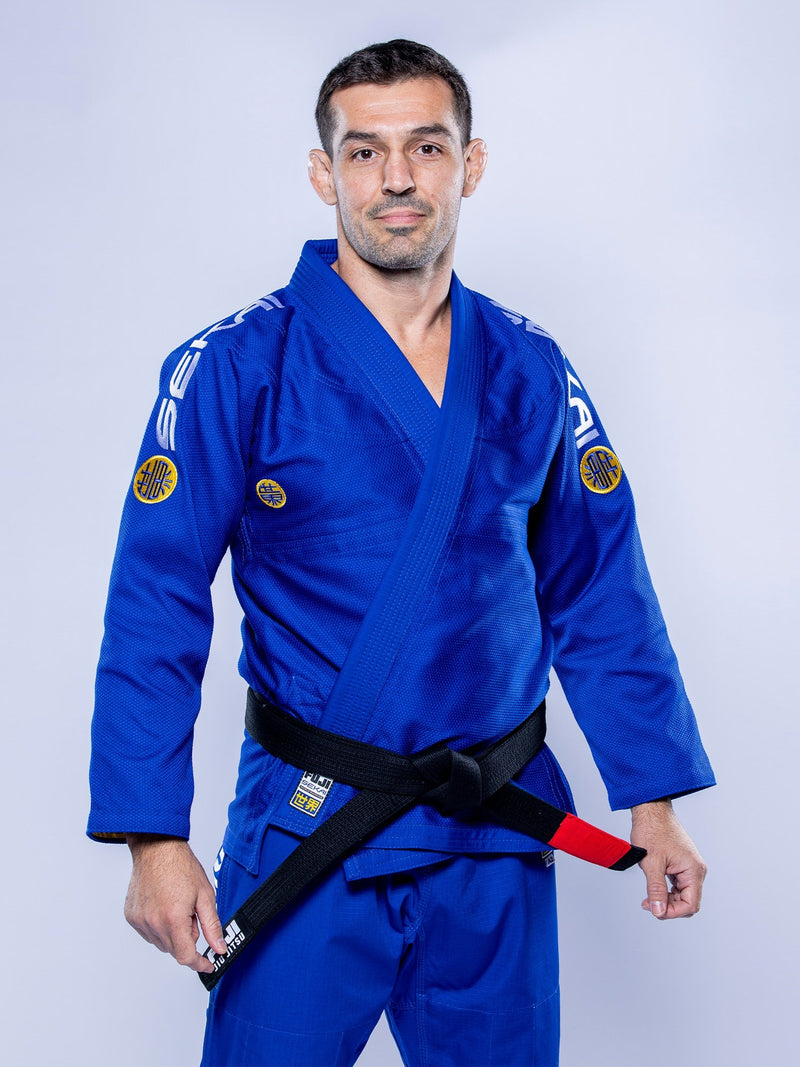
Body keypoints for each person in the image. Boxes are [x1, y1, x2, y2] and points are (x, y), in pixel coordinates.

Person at [89, 39, 714, 1067]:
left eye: (425, 147)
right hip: (308, 828)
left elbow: (600, 590)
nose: (395, 178)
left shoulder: (528, 365)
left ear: (467, 166)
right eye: (365, 150)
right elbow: (154, 601)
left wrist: (653, 798)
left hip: (494, 838)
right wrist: (151, 837)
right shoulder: (236, 363)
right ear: (322, 170)